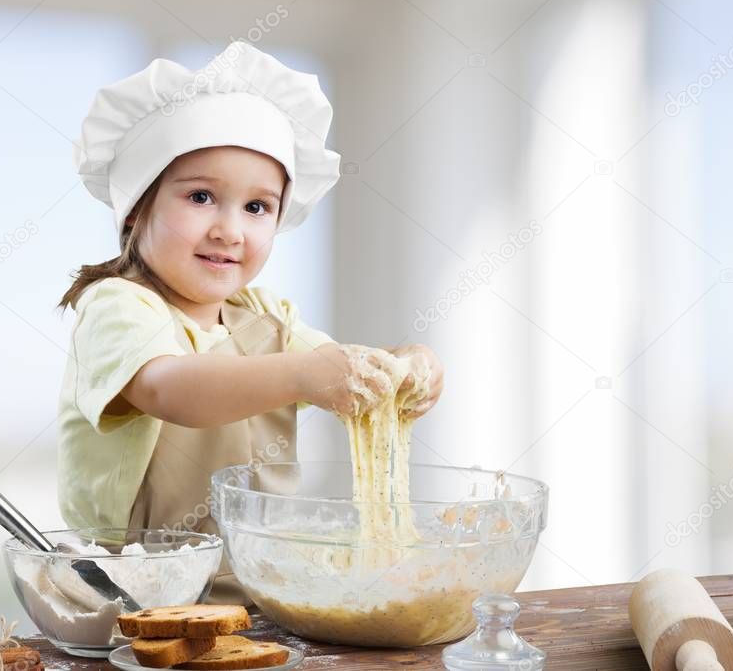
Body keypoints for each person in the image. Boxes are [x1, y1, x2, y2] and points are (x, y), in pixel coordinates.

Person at [55, 41, 443, 603]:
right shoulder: (119, 305)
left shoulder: (266, 318)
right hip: (129, 592)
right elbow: (169, 388)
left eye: (257, 207)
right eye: (202, 196)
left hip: (252, 583)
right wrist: (302, 376)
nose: (230, 230)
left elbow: (345, 368)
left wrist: (405, 363)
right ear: (137, 207)